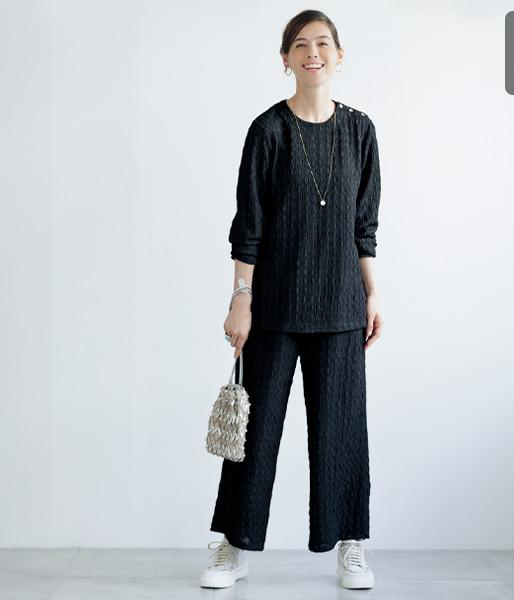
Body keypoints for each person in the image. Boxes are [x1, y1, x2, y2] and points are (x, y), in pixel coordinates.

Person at [201, 9, 383, 591]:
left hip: (341, 306)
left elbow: (364, 226)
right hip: (275, 305)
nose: (313, 53)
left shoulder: (360, 131)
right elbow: (248, 226)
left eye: (323, 43)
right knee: (254, 434)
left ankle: (350, 544)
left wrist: (372, 292)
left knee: (341, 432)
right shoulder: (268, 131)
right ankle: (233, 544)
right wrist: (241, 298)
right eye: (300, 45)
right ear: (285, 59)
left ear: (340, 55)